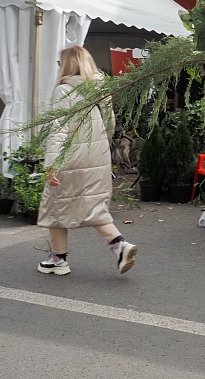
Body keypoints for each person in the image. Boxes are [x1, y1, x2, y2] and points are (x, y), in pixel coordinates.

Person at [36, 46, 137, 276]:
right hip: (97, 154)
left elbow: (58, 130)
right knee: (92, 205)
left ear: (68, 64)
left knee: (55, 204)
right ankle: (117, 246)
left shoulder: (64, 91)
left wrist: (51, 165)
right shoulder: (101, 88)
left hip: (70, 157)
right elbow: (110, 124)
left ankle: (60, 258)